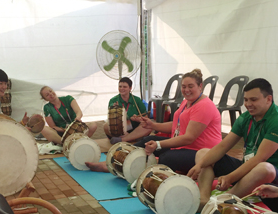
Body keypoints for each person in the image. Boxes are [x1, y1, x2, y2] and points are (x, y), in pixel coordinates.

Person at [188, 78, 278, 210]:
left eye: (254, 100)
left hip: (275, 178)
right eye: (246, 100)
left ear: (268, 99)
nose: (248, 104)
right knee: (203, 153)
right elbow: (223, 147)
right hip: (249, 169)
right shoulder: (246, 118)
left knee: (264, 168)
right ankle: (203, 198)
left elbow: (259, 159)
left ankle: (222, 201)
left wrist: (230, 177)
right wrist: (199, 165)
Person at [86, 69, 222, 174]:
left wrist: (158, 144)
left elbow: (188, 138)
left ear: (200, 86)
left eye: (190, 86)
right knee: (147, 140)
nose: (186, 90)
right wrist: (152, 125)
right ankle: (114, 162)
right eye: (183, 86)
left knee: (166, 158)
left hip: (202, 152)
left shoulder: (204, 106)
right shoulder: (187, 102)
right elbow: (176, 126)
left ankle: (127, 166)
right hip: (184, 145)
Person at [104, 77, 150, 144]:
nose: (121, 89)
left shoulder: (137, 100)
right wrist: (115, 110)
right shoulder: (113, 100)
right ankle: (134, 138)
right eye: (120, 86)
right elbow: (112, 120)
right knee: (106, 126)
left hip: (135, 128)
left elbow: (145, 118)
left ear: (130, 88)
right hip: (121, 129)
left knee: (148, 126)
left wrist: (138, 119)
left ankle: (124, 139)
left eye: (124, 87)